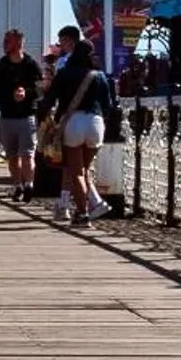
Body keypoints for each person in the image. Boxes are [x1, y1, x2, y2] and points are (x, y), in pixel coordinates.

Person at [41, 25, 112, 223]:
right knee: (85, 169)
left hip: (74, 122)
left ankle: (82, 213)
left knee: (76, 172)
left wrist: (47, 117)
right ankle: (95, 203)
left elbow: (50, 98)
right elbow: (108, 104)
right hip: (96, 123)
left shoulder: (65, 73)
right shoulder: (99, 76)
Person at [0, 27, 45, 204]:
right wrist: (10, 94)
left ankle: (29, 185)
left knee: (28, 154)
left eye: (8, 41)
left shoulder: (31, 65)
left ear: (19, 43)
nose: (4, 44)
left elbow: (40, 89)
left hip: (26, 117)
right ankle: (17, 184)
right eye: (4, 41)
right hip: (7, 116)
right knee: (12, 156)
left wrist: (26, 93)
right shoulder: (0, 66)